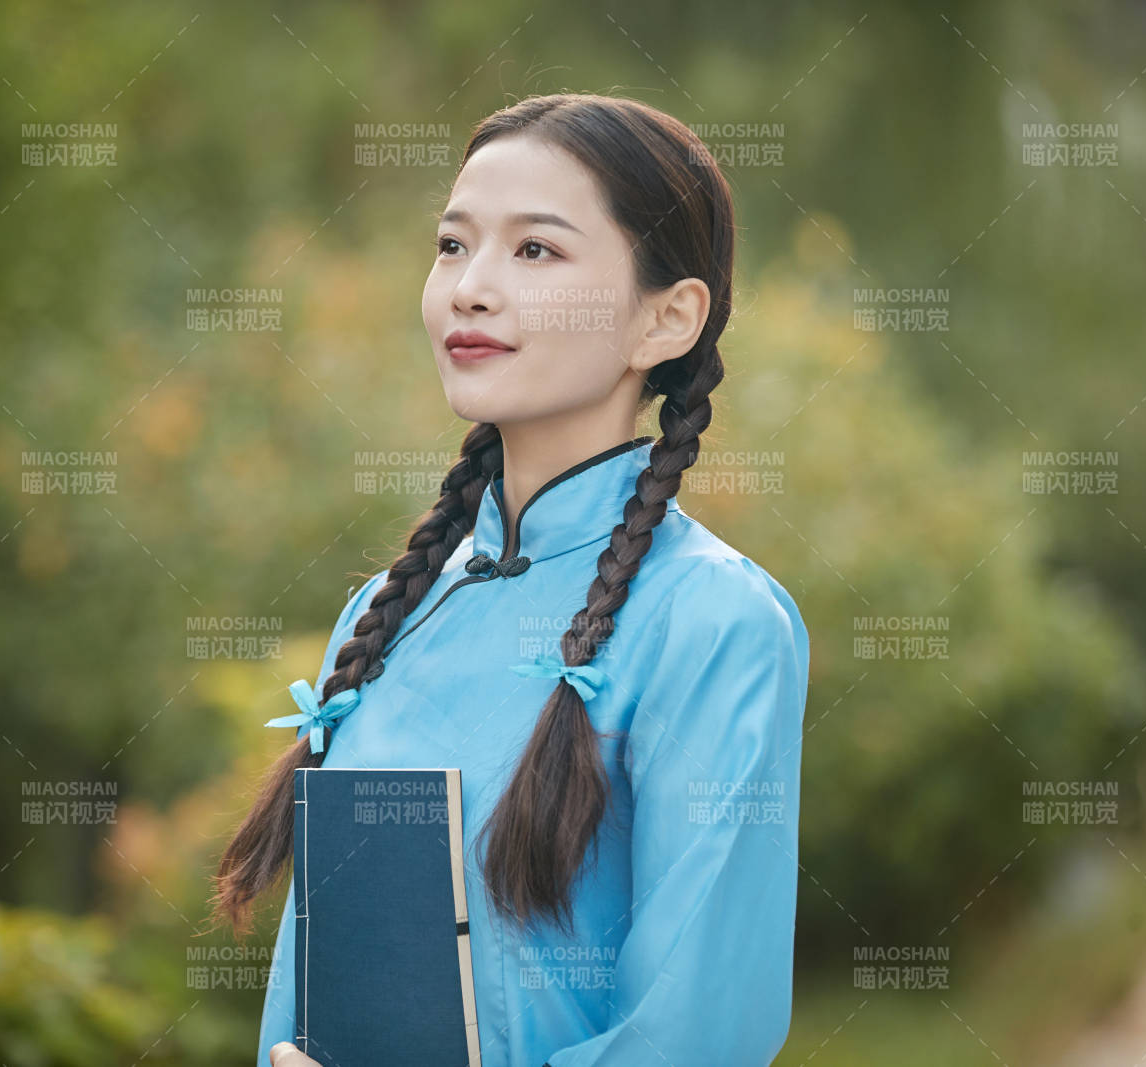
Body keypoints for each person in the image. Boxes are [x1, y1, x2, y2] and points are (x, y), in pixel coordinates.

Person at [210, 91, 811, 1067]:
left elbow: (701, 1030)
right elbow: (306, 998)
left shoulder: (713, 619)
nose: (470, 287)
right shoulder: (382, 613)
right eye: (452, 245)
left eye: (535, 250)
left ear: (666, 318)